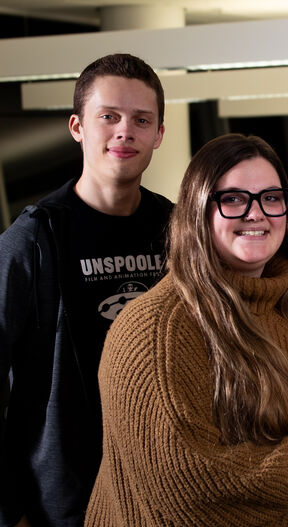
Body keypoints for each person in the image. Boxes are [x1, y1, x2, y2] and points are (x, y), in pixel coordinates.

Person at [84, 133, 288, 526]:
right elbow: (183, 485)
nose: (256, 213)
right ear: (197, 210)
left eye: (271, 197)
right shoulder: (155, 329)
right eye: (233, 199)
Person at [0, 54, 172, 527]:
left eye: (142, 120)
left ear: (159, 134)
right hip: (66, 500)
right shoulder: (32, 240)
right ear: (77, 127)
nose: (125, 131)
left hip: (165, 485)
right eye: (108, 117)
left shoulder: (180, 231)